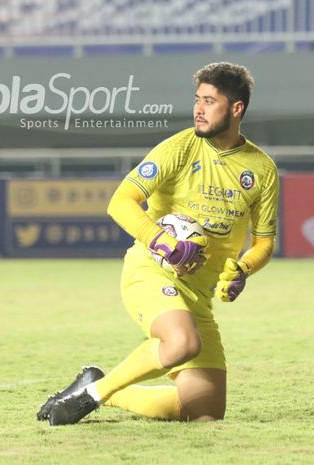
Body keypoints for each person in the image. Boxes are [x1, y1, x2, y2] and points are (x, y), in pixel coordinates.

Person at [39, 62, 279, 426]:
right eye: (197, 99)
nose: (198, 108)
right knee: (182, 344)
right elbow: (120, 202)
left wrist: (243, 269)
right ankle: (89, 398)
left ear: (236, 109)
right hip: (152, 274)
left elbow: (264, 242)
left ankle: (105, 388)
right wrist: (164, 242)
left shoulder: (261, 170)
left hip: (198, 295)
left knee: (203, 411)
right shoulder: (179, 149)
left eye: (209, 101)